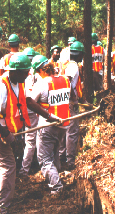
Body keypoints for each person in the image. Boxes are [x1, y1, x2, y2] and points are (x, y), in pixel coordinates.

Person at [0, 52, 59, 214]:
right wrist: (6, 134)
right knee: (8, 165)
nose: (28, 75)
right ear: (13, 71)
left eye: (28, 71)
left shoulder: (18, 82)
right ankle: (2, 211)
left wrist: (49, 116)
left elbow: (28, 102)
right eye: (24, 72)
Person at [31, 55, 71, 194]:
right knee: (54, 154)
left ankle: (56, 187)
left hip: (47, 125)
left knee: (44, 159)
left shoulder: (42, 83)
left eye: (37, 71)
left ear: (42, 70)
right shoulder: (66, 80)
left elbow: (30, 101)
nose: (37, 74)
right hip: (63, 124)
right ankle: (56, 178)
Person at [59, 41, 85, 170]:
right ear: (79, 54)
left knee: (65, 128)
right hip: (68, 101)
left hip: (64, 100)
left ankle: (61, 156)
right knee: (72, 130)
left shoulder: (67, 64)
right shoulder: (73, 66)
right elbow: (67, 82)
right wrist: (73, 98)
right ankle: (70, 161)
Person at [19, 47, 39, 177]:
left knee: (25, 139)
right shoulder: (33, 74)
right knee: (30, 141)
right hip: (29, 109)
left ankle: (25, 165)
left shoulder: (21, 72)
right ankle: (24, 170)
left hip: (20, 109)